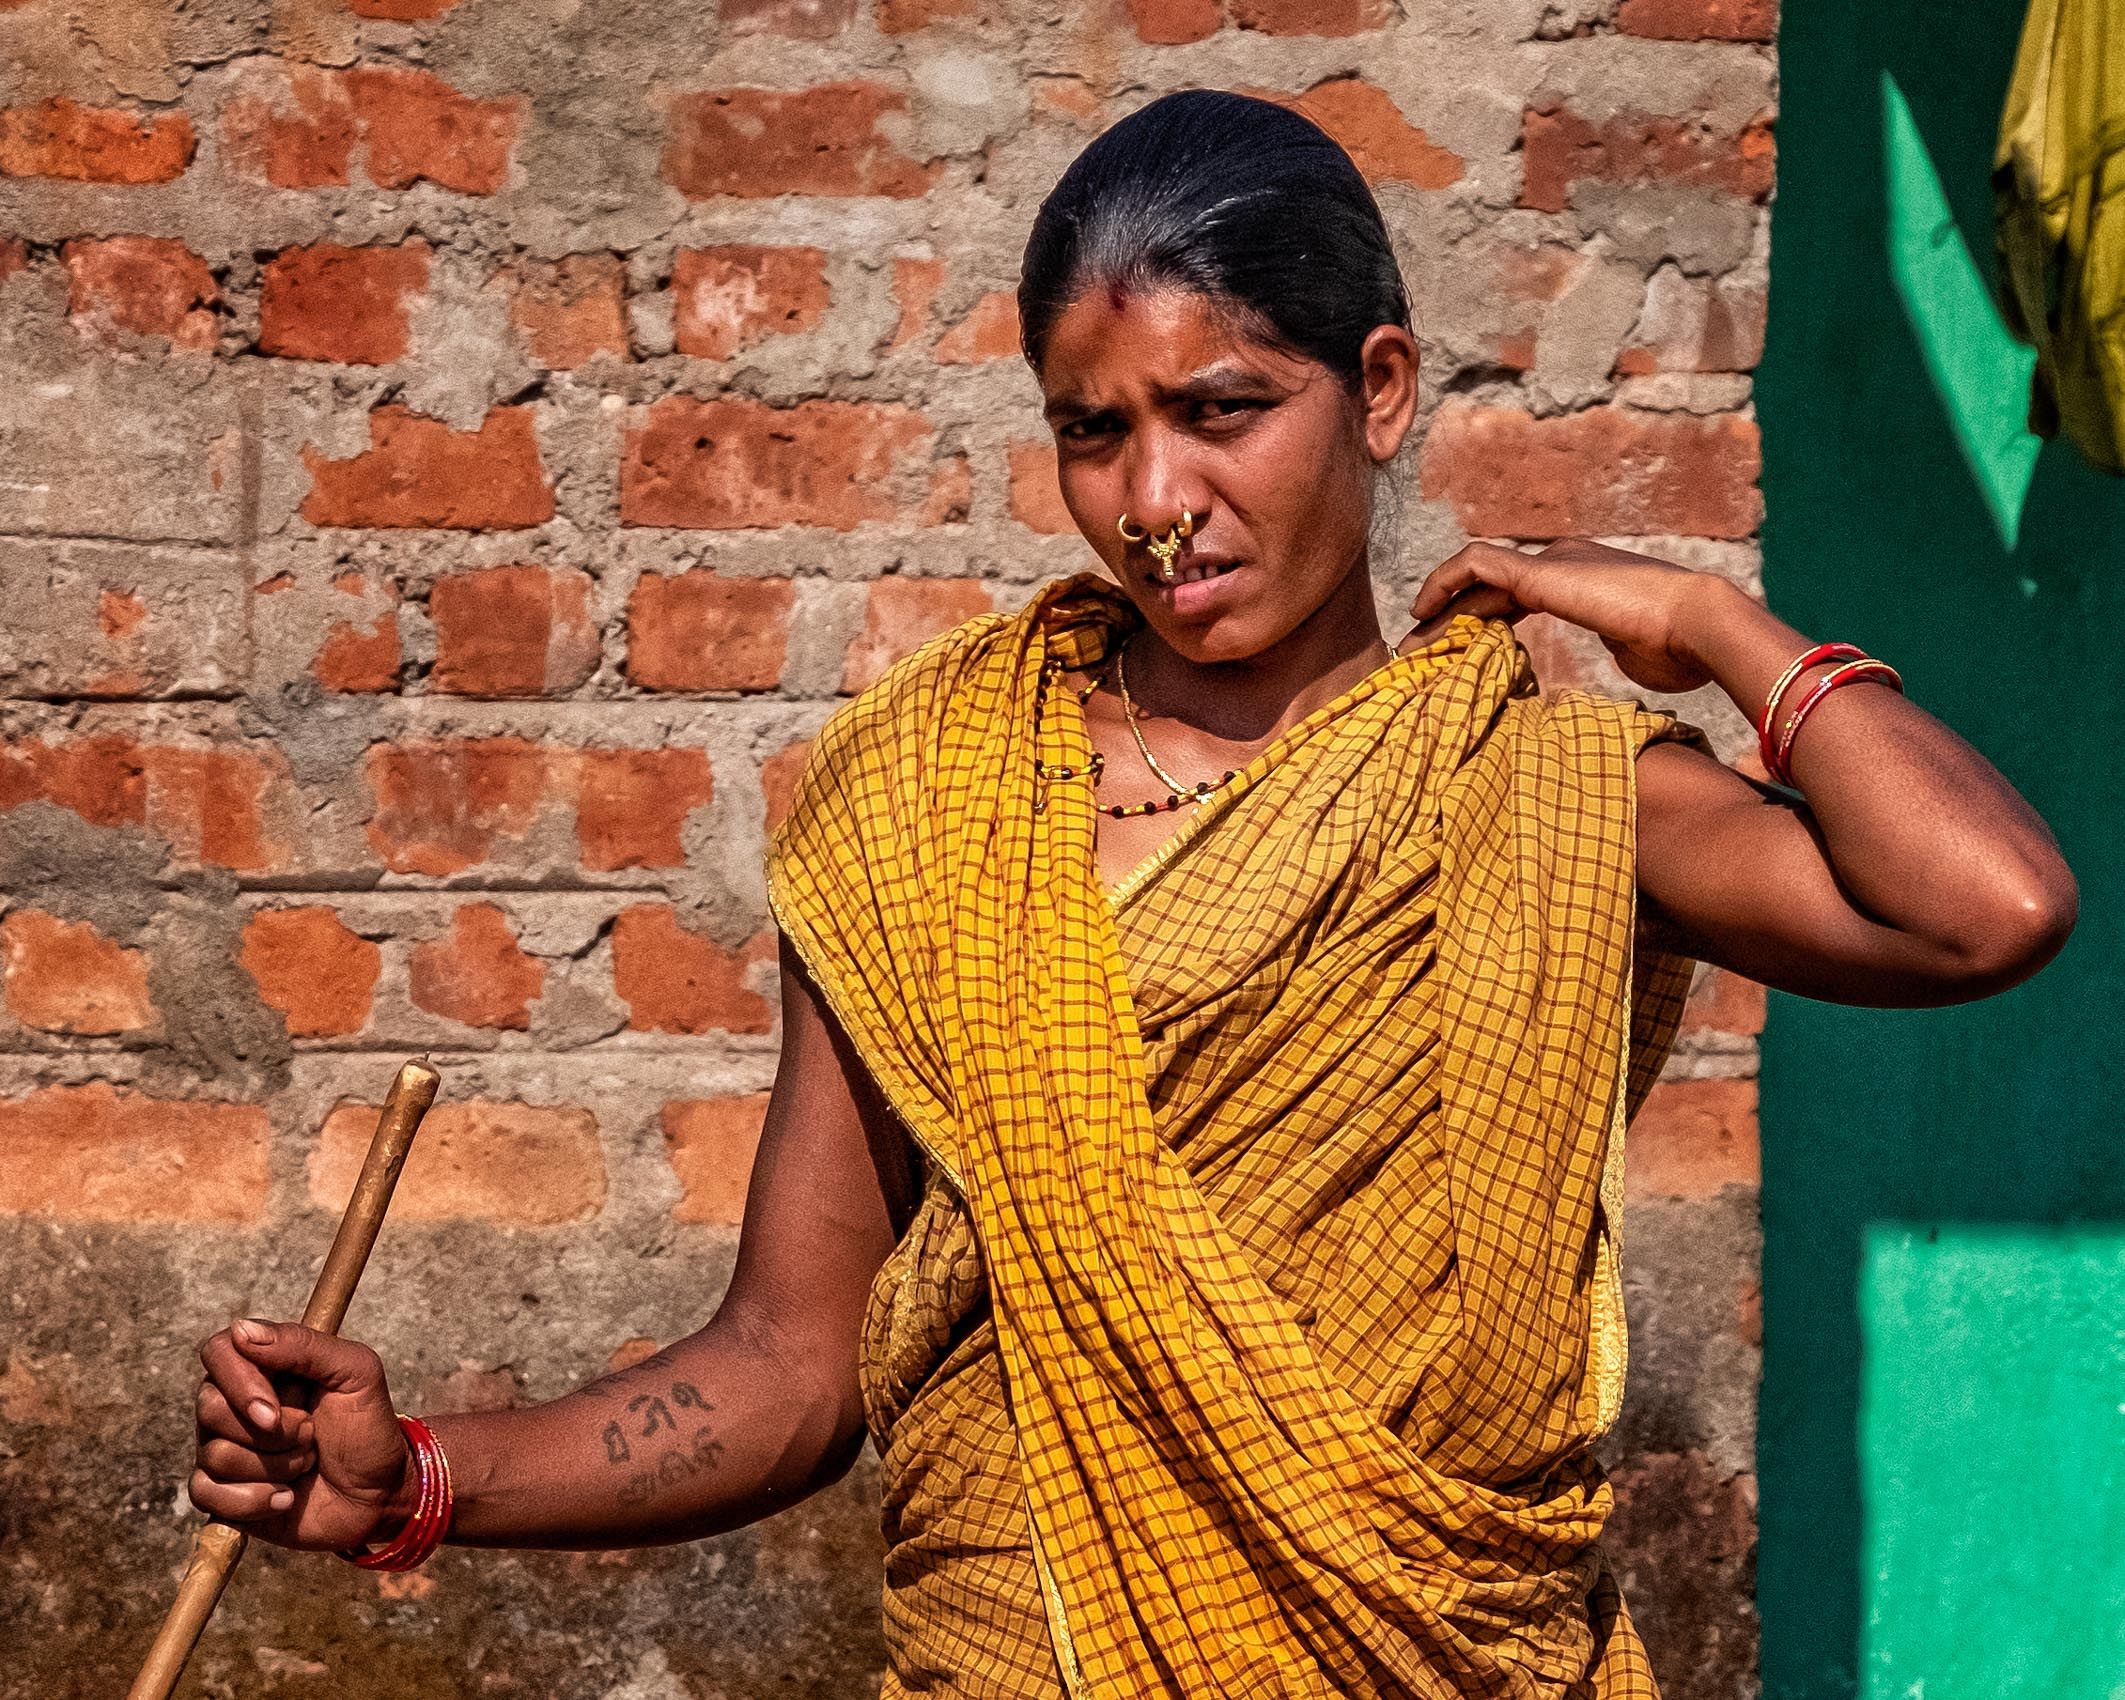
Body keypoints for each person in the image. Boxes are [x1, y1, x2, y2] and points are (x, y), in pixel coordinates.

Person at [187, 90, 2077, 1698]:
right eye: (1094, 431)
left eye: (1222, 408)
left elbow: (1985, 906)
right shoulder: (928, 808)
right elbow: (789, 1359)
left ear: (1382, 391)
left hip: (1428, 1647)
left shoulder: (1541, 790)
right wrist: (421, 1475)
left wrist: (1713, 624)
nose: (1153, 495)